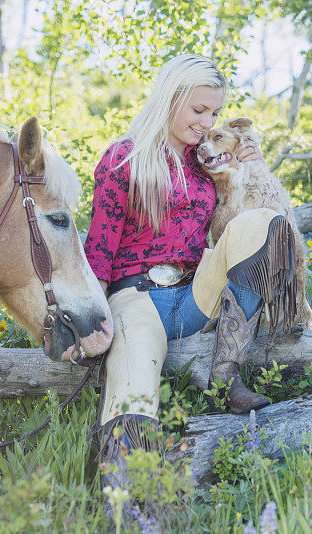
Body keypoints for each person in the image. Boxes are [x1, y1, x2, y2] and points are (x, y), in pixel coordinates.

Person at [83, 54, 298, 495]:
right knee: (133, 383)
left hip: (198, 292)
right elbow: (99, 246)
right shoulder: (123, 158)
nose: (206, 122)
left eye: (215, 113)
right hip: (136, 296)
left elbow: (237, 225)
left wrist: (247, 168)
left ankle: (225, 369)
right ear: (170, 98)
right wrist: (88, 319)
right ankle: (130, 499)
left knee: (262, 222)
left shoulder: (207, 165)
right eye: (199, 110)